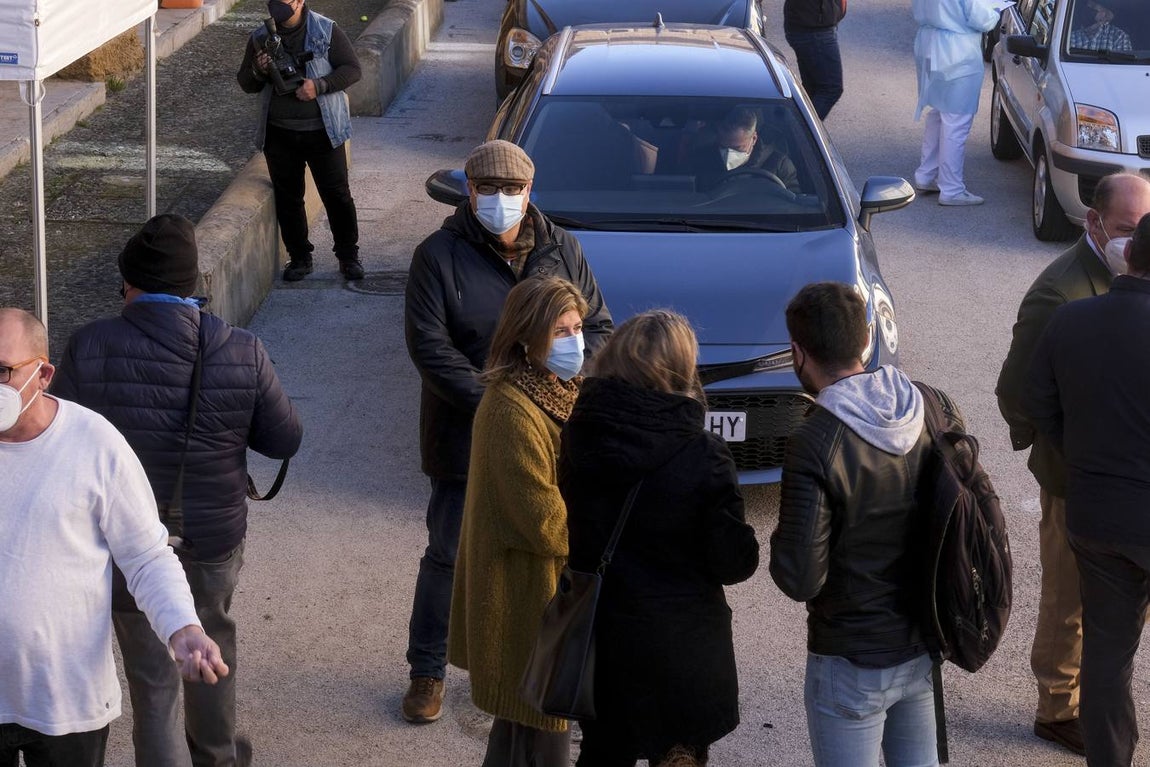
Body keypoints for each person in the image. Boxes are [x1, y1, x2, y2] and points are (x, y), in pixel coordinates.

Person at [50, 213, 304, 767]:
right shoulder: (242, 349)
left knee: (154, 684)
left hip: (124, 550)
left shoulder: (90, 345)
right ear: (194, 284)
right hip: (211, 538)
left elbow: (59, 439)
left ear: (129, 283)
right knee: (211, 647)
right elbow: (284, 439)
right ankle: (218, 755)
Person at [401, 139, 613, 724]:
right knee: (449, 552)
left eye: (511, 190)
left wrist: (560, 390)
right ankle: (428, 669)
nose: (501, 200)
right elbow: (430, 348)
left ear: (530, 191)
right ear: (469, 192)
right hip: (464, 433)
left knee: (543, 553)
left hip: (551, 434)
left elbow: (597, 326)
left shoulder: (561, 249)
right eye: (488, 190)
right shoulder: (437, 256)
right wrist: (500, 398)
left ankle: (541, 664)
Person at [0, 308, 229, 767]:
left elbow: (146, 556)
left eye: (1, 371)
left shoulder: (95, 444)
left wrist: (183, 628)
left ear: (43, 374)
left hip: (67, 700)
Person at [559, 310, 760, 766]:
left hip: (604, 642)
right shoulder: (703, 455)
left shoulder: (578, 437)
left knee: (603, 751)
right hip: (682, 652)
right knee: (679, 753)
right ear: (682, 372)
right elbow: (734, 562)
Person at [995, 171, 1150, 757]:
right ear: (1093, 223)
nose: (1131, 244)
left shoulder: (1113, 283)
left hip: (1118, 481)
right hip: (1074, 479)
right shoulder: (1058, 292)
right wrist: (1072, 446)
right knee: (1069, 601)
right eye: (1124, 230)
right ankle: (1058, 706)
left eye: (1141, 233)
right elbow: (1017, 392)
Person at [770, 282, 940, 767]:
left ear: (798, 354)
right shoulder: (929, 406)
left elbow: (800, 577)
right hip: (923, 644)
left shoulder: (815, 439)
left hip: (851, 659)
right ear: (867, 339)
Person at [447, 277, 591, 766]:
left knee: (519, 739)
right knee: (537, 736)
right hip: (521, 600)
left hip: (540, 598)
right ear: (528, 337)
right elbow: (547, 523)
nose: (575, 341)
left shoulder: (558, 390)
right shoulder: (512, 410)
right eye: (561, 331)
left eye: (577, 328)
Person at [237, 0, 364, 282]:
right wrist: (259, 69)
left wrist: (319, 86)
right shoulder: (260, 37)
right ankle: (299, 258)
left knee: (337, 195)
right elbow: (246, 82)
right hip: (279, 134)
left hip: (323, 130)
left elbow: (353, 69)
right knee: (288, 198)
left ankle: (348, 256)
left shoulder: (326, 29)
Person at [911, 0, 1001, 206]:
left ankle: (927, 174)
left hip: (929, 41)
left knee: (939, 111)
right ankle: (951, 188)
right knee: (956, 119)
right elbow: (981, 18)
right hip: (957, 51)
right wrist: (995, 11)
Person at [686, 108, 800, 192]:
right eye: (723, 147)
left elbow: (792, 204)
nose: (729, 154)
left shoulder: (779, 165)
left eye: (737, 148)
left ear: (754, 139)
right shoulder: (700, 160)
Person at [783, 0, 847, 120]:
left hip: (814, 26)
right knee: (830, 89)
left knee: (812, 89)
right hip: (813, 30)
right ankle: (797, 134)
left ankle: (789, 129)